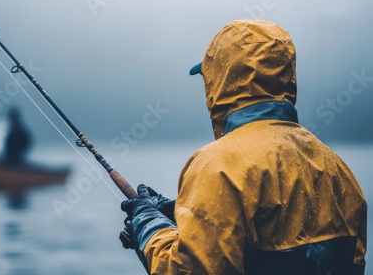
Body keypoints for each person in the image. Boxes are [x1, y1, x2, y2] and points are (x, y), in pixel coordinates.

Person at [119, 20, 367, 274]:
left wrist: (148, 226)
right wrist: (180, 210)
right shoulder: (338, 169)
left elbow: (190, 270)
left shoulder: (217, 166)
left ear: (221, 81)